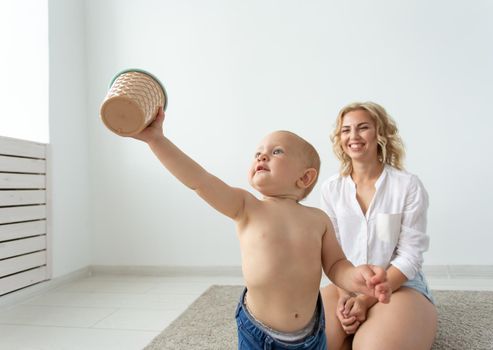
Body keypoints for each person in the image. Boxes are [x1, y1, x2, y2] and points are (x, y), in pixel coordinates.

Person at [130, 107, 392, 350]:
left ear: (305, 177)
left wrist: (357, 277)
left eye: (277, 151)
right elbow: (199, 180)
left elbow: (336, 265)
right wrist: (156, 140)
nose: (262, 156)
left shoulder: (318, 219)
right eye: (257, 153)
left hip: (312, 334)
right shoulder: (246, 207)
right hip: (258, 333)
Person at [320, 101, 438, 350]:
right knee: (316, 345)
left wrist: (365, 300)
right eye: (345, 130)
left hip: (398, 285)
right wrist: (346, 295)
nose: (353, 136)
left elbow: (410, 256)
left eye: (362, 127)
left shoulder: (407, 186)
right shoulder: (331, 189)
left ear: (380, 134)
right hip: (347, 284)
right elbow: (333, 253)